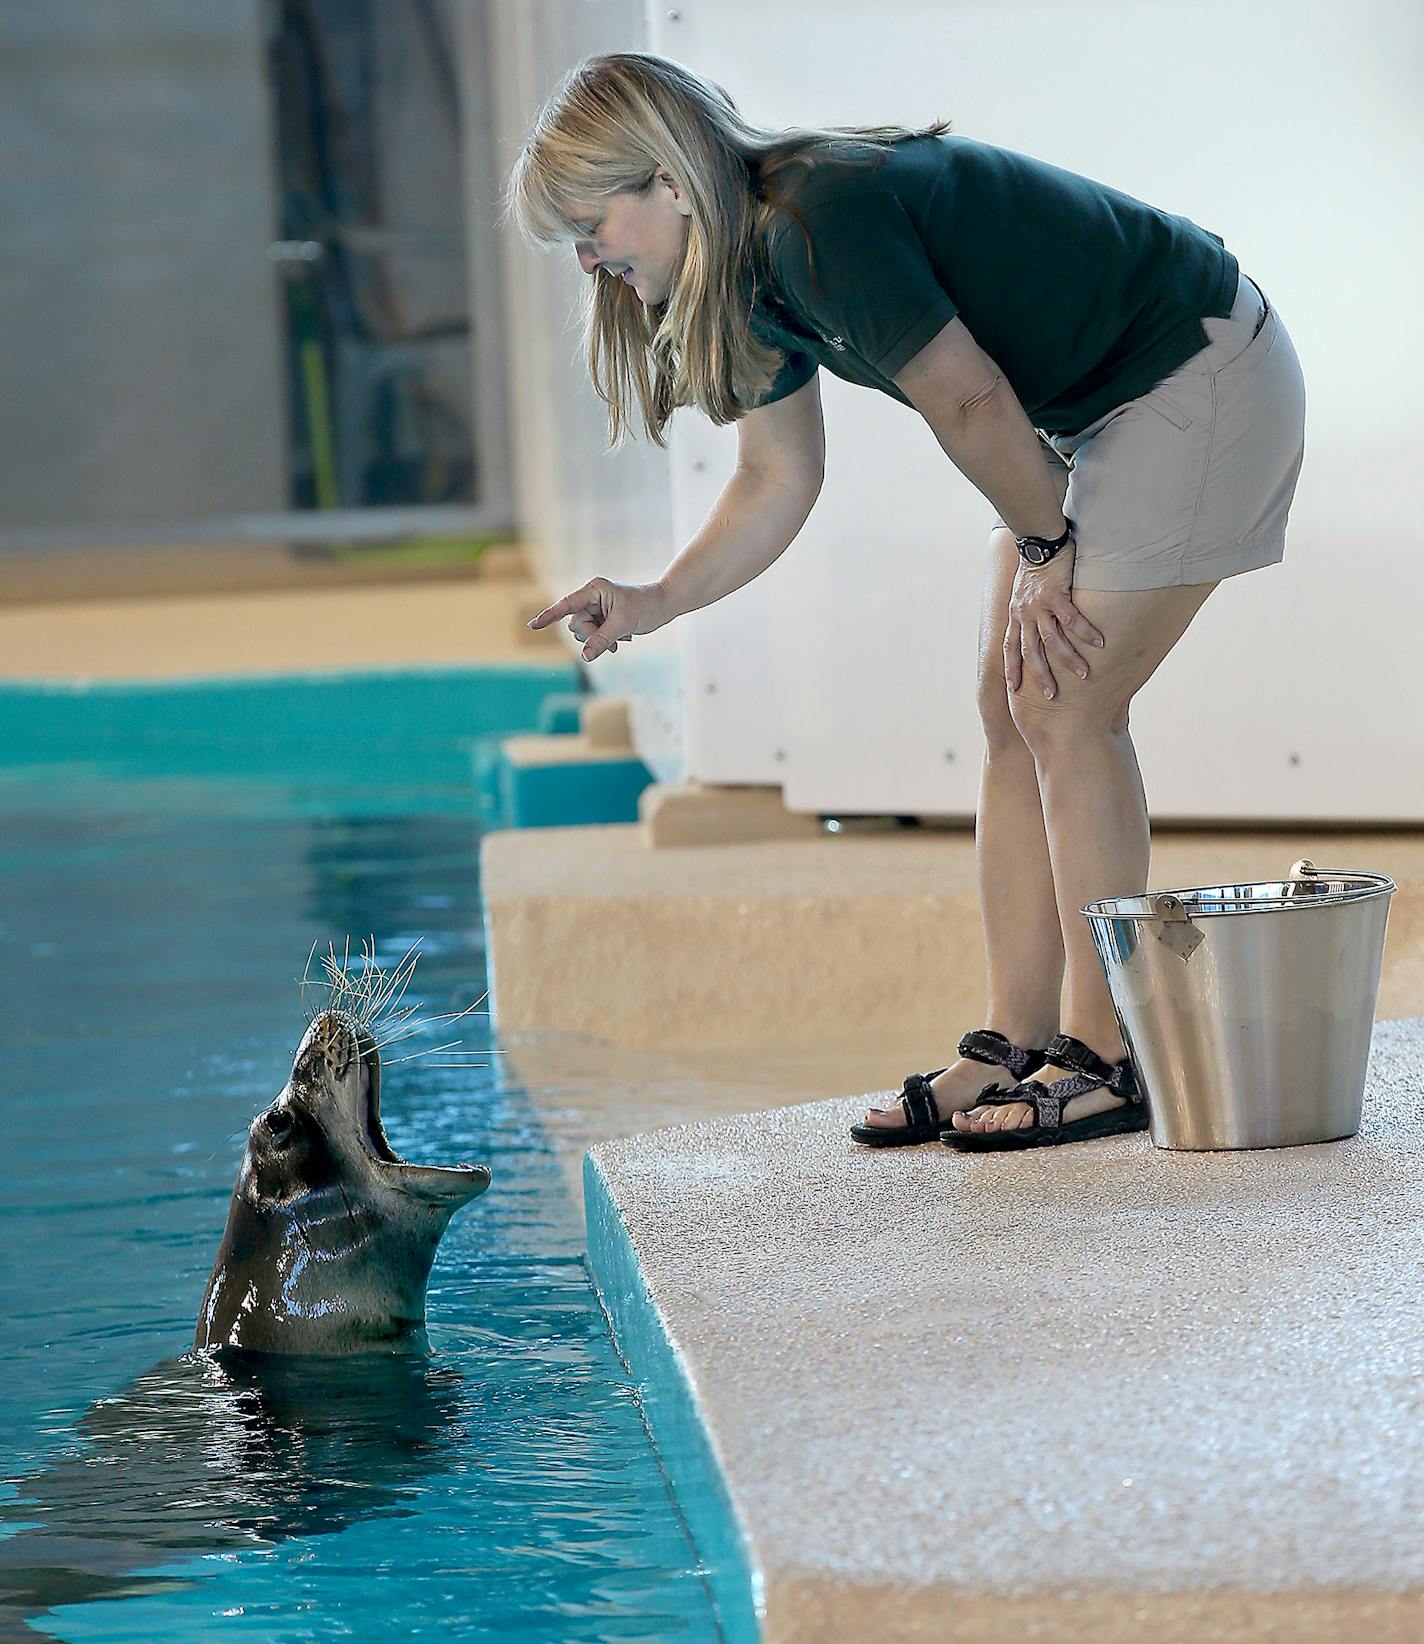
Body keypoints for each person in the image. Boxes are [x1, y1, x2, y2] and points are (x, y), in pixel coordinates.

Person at [508, 51, 1307, 1151]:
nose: (590, 258)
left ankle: (1108, 1053)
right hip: (1095, 412)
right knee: (1007, 704)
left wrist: (1043, 547)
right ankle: (1016, 1041)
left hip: (1193, 367)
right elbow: (772, 477)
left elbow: (970, 398)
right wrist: (653, 600)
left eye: (590, 224)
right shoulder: (743, 264)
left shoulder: (814, 215)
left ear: (667, 183)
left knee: (1063, 702)